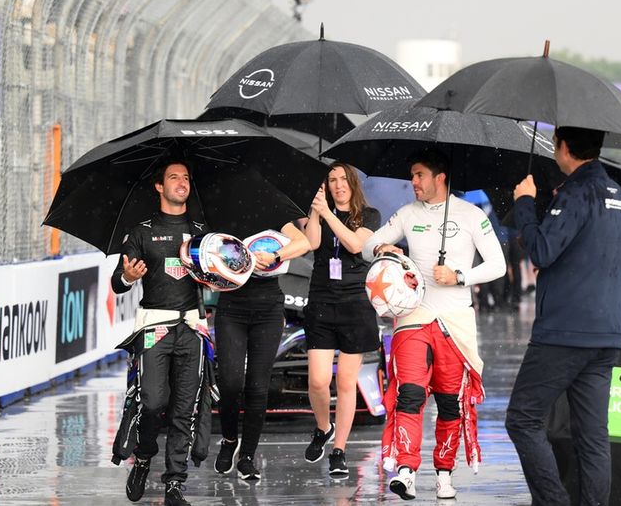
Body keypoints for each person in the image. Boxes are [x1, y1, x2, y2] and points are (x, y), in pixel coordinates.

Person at [362, 148, 507, 501]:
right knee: (409, 395)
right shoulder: (407, 214)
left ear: (440, 177)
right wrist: (385, 248)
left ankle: (444, 474)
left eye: (419, 175)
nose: (413, 182)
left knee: (449, 404)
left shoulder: (472, 215)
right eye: (412, 175)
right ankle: (407, 471)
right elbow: (367, 246)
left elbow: (498, 265)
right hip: (413, 317)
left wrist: (459, 276)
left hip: (455, 321)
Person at [504, 127, 621, 506]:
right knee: (593, 437)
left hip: (564, 332)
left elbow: (542, 251)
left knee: (522, 419)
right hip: (607, 334)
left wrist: (526, 203)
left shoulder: (577, 193)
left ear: (563, 147)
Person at [111, 161, 207, 506]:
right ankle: (144, 455)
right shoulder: (141, 232)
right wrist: (128, 277)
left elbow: (224, 275)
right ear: (159, 186)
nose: (182, 182)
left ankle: (174, 484)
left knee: (185, 409)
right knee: (152, 402)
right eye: (174, 177)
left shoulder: (202, 232)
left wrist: (219, 277)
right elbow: (117, 283)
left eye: (185, 177)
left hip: (193, 328)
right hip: (154, 328)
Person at [213, 211, 311, 482]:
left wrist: (278, 256)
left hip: (269, 307)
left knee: (258, 385)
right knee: (231, 382)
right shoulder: (218, 214)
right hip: (231, 307)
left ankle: (246, 456)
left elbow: (304, 243)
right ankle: (230, 439)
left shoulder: (273, 210)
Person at [301, 162, 382, 478]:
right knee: (318, 380)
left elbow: (355, 245)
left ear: (353, 183)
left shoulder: (369, 215)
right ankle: (324, 427)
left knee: (346, 382)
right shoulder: (321, 210)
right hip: (321, 301)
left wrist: (330, 215)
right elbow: (312, 243)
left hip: (355, 305)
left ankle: (339, 451)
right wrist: (315, 211)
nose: (337, 185)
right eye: (331, 180)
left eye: (342, 179)